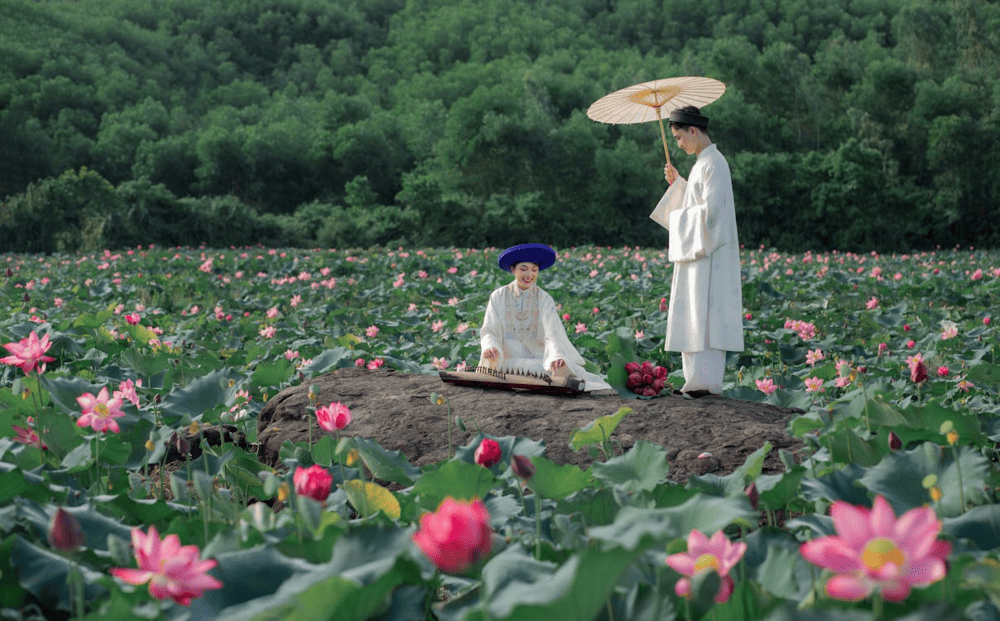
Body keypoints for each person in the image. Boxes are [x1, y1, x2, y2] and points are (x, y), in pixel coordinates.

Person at [660, 105, 744, 398]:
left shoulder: (714, 163)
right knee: (693, 311)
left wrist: (679, 216)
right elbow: (696, 203)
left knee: (705, 315)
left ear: (693, 130)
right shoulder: (701, 164)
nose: (679, 144)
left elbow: (710, 214)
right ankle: (695, 381)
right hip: (697, 250)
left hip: (708, 252)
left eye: (680, 138)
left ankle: (705, 384)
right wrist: (679, 185)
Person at [479, 243, 611, 392]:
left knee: (558, 370)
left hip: (540, 363)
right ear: (513, 269)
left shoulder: (544, 298)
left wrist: (556, 356)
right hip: (507, 363)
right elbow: (489, 330)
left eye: (534, 270)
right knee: (496, 368)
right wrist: (491, 348)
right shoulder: (498, 296)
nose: (529, 275)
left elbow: (552, 333)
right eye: (523, 269)